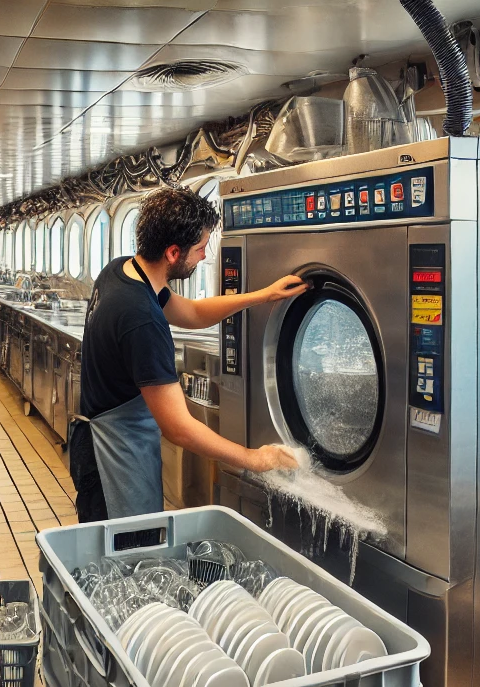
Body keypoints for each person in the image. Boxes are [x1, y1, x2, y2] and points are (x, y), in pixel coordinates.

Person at [70, 186, 307, 523]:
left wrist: (262, 296)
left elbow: (193, 312)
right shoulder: (142, 320)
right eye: (200, 248)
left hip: (101, 444)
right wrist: (254, 459)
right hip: (114, 460)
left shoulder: (123, 271)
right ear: (172, 252)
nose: (205, 256)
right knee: (124, 559)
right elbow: (178, 428)